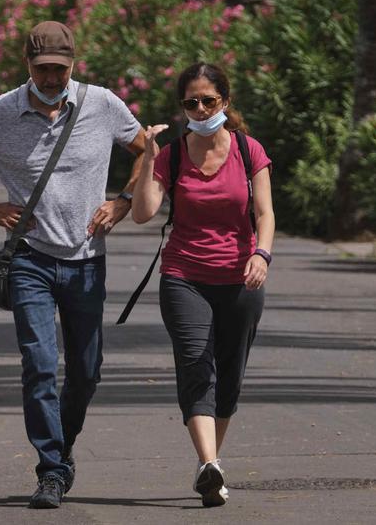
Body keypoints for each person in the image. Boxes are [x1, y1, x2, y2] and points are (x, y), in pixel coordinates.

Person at [0, 21, 148, 510]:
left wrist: (123, 201)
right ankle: (50, 470)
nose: (51, 78)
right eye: (42, 69)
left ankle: (62, 447)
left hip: (87, 261)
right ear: (26, 65)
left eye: (59, 69)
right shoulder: (3, 111)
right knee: (41, 366)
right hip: (29, 260)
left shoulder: (102, 104)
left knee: (87, 372)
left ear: (74, 64)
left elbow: (145, 152)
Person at [130, 62, 274, 508]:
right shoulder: (170, 155)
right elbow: (142, 213)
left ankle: (209, 465)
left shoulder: (249, 151)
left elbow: (265, 214)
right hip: (184, 275)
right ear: (182, 108)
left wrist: (261, 254)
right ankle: (209, 462)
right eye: (190, 102)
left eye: (208, 100)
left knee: (229, 374)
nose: (199, 108)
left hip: (240, 278)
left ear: (224, 103)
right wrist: (148, 155)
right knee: (196, 362)